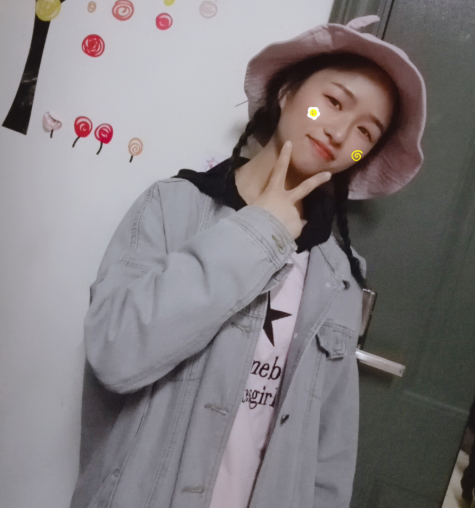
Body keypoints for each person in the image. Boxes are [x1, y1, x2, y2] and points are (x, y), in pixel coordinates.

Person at [70, 15, 426, 508]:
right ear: (288, 93)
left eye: (366, 131)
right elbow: (115, 352)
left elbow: (330, 451)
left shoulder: (338, 278)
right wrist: (260, 232)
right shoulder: (172, 207)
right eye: (333, 102)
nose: (341, 131)